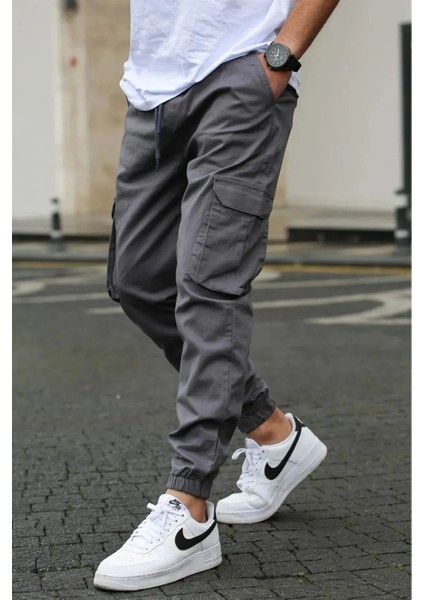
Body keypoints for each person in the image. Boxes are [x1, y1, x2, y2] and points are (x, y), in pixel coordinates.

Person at [94, 0, 340, 591]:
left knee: (209, 285)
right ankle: (274, 433)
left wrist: (280, 57)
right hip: (152, 87)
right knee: (136, 281)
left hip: (242, 71)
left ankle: (190, 509)